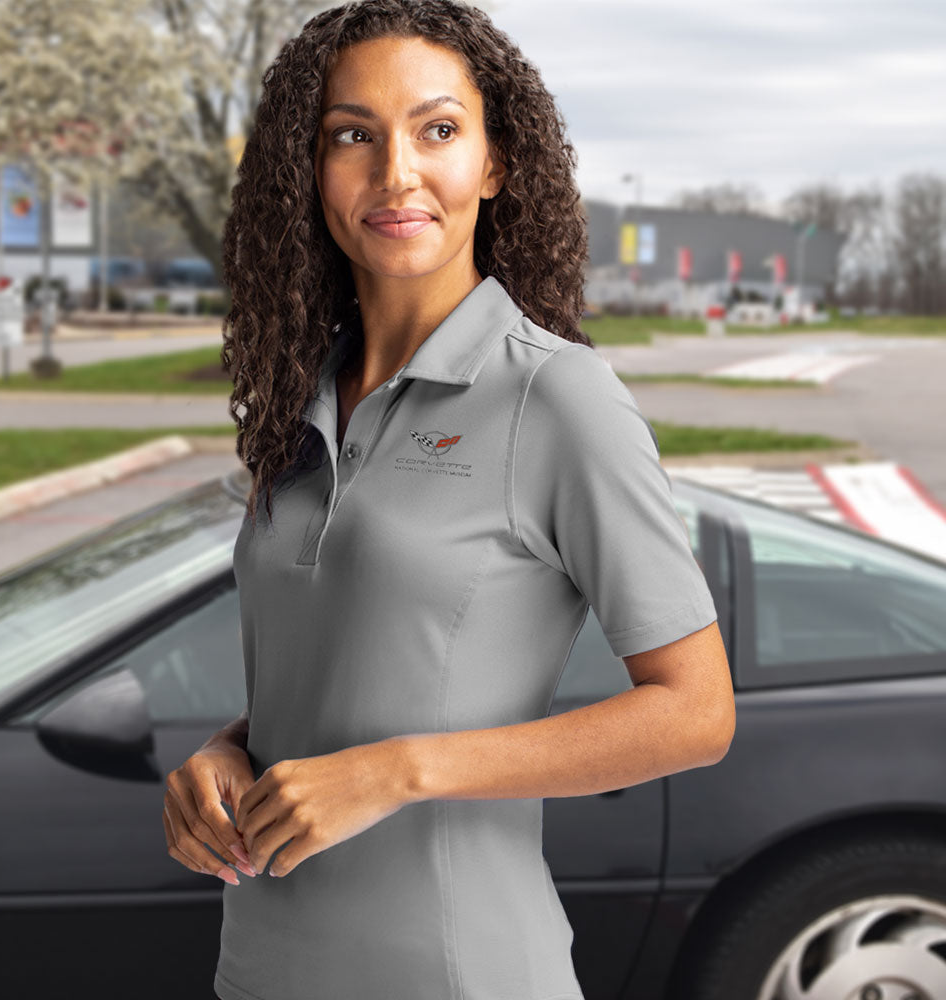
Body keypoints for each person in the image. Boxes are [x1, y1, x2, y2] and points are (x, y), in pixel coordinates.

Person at [161, 2, 736, 998]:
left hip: (458, 970)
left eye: (437, 130)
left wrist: (399, 770)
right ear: (310, 166)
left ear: (493, 163)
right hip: (262, 968)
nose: (395, 173)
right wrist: (226, 753)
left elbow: (696, 714)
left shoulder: (557, 397)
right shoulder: (299, 400)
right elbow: (352, 665)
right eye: (352, 135)